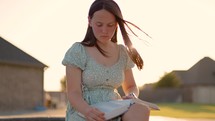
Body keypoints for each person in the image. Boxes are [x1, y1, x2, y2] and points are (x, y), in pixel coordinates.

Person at [62, 0, 150, 120]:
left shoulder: (122, 52)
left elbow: (131, 86)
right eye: (99, 25)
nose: (105, 30)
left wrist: (132, 95)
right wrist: (88, 111)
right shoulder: (78, 50)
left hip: (115, 109)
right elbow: (73, 93)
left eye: (110, 25)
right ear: (90, 21)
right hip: (86, 110)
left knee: (141, 109)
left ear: (117, 24)